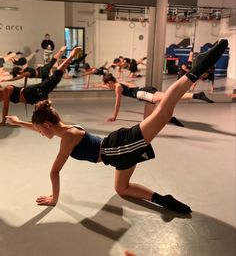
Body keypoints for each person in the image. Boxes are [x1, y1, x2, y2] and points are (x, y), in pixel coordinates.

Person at [5, 39, 228, 214]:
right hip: (115, 153)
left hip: (119, 147)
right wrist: (19, 123)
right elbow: (40, 129)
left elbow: (54, 171)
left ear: (47, 125)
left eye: (42, 130)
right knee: (121, 189)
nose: (42, 134)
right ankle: (165, 201)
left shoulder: (69, 136)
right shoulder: (64, 129)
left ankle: (197, 69)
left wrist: (54, 199)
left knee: (163, 111)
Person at [0, 46, 80, 125]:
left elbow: (5, 107)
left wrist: (3, 121)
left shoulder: (7, 89)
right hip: (32, 94)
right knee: (48, 104)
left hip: (31, 92)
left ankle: (70, 56)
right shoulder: (6, 91)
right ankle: (59, 123)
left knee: (54, 78)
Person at [96, 73, 214, 122]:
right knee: (146, 120)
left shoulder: (117, 88)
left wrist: (114, 117)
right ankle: (168, 118)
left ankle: (197, 95)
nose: (107, 86)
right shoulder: (120, 83)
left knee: (169, 96)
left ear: (111, 81)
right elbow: (110, 86)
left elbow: (118, 103)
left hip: (143, 94)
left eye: (107, 84)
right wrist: (99, 85)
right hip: (144, 93)